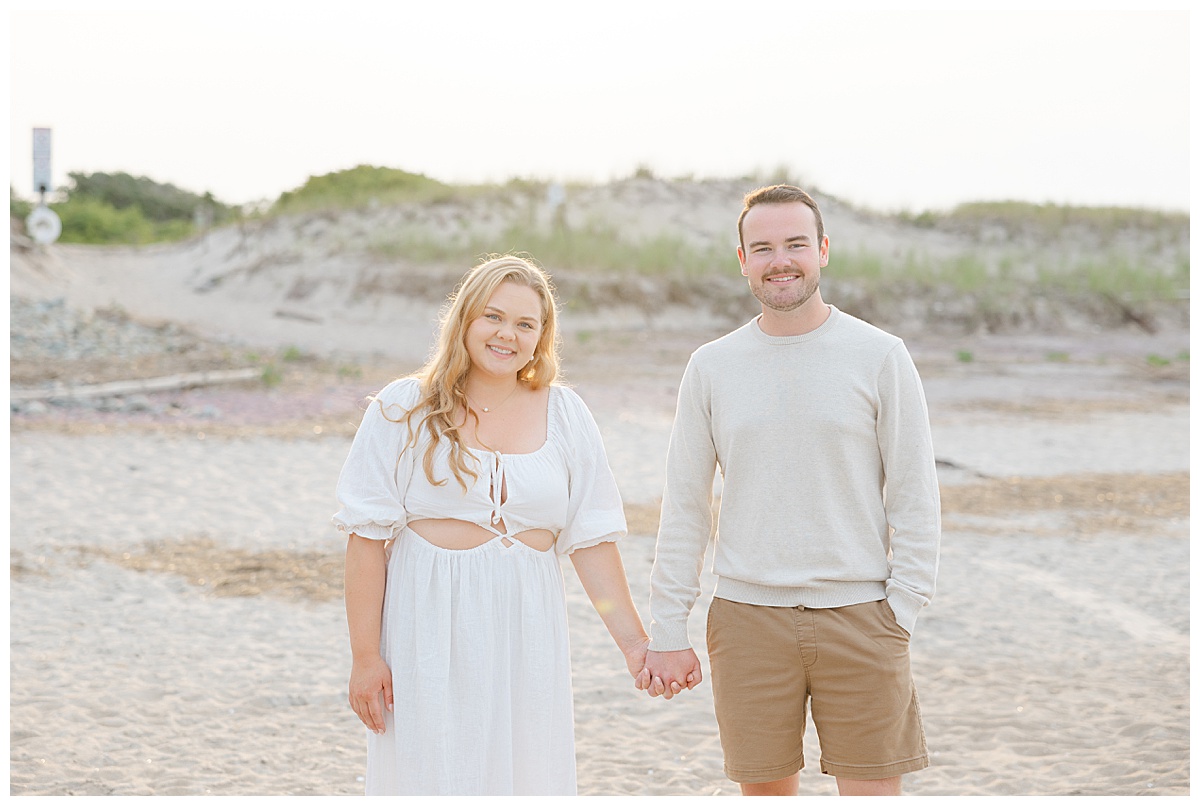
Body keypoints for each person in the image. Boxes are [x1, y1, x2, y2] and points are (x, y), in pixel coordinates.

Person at [640, 185, 941, 796]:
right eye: (764, 247)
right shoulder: (712, 366)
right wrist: (669, 629)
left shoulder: (880, 355)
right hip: (748, 620)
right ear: (743, 260)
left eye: (796, 244)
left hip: (862, 615)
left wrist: (902, 608)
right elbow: (686, 507)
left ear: (823, 250)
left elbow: (914, 492)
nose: (782, 259)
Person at [333, 254, 650, 795]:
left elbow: (591, 541)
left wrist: (636, 646)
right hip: (425, 623)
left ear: (542, 337)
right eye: (493, 317)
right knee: (429, 770)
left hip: (527, 624)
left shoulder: (567, 413)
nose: (508, 334)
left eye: (526, 324)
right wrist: (366, 657)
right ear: (465, 321)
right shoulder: (403, 407)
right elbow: (367, 540)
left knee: (525, 769)